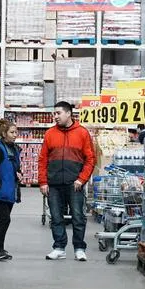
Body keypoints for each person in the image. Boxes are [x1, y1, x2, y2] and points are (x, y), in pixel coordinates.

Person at [38, 101, 96, 261]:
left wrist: (81, 179)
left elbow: (90, 159)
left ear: (69, 113)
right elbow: (42, 159)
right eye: (54, 113)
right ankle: (59, 247)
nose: (55, 116)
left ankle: (79, 248)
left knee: (78, 217)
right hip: (54, 184)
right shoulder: (50, 134)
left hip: (74, 184)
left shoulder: (82, 133)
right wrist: (43, 181)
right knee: (56, 217)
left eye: (58, 113)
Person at [0, 119, 22, 261]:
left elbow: (16, 167)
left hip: (9, 191)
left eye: (16, 132)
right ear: (3, 133)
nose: (15, 135)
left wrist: (19, 173)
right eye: (12, 132)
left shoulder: (14, 148)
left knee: (4, 220)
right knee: (4, 218)